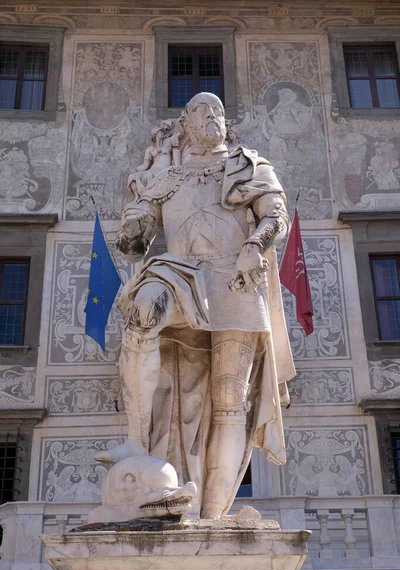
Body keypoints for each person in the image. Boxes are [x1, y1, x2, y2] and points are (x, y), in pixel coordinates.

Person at [101, 92, 294, 519]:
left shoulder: (247, 164)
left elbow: (275, 215)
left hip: (235, 281)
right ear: (184, 123)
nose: (213, 116)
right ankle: (136, 436)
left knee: (230, 402)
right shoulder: (163, 173)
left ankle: (211, 518)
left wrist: (253, 246)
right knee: (142, 311)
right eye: (202, 111)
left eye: (219, 112)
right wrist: (133, 225)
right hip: (179, 273)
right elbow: (137, 240)